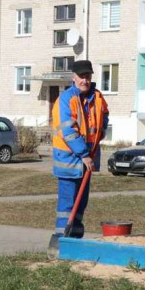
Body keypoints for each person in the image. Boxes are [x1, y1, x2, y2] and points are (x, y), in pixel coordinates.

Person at [51, 59, 109, 238]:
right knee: (67, 204)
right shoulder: (67, 99)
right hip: (69, 161)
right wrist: (84, 154)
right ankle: (62, 239)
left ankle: (76, 236)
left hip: (87, 160)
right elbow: (67, 130)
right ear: (74, 78)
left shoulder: (97, 97)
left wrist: (101, 133)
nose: (85, 80)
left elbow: (104, 115)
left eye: (88, 76)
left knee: (81, 203)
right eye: (81, 76)